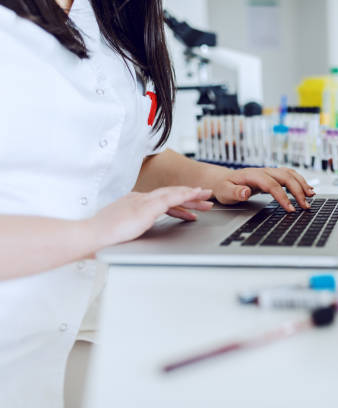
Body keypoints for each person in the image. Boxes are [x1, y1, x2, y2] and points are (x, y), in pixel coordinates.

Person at [0, 0, 314, 406]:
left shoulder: (111, 21)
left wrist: (216, 179)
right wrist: (94, 231)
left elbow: (128, 152)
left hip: (72, 306)